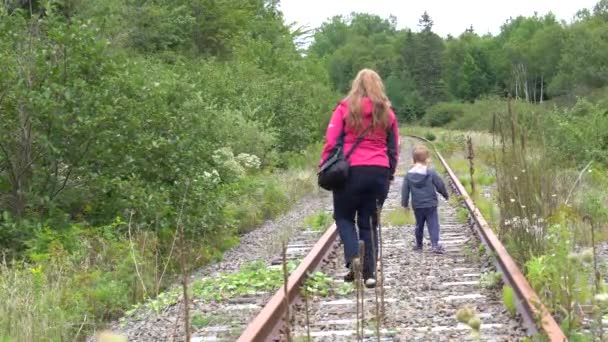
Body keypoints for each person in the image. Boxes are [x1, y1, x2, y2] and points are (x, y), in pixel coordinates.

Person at [319, 69, 399, 288]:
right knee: (369, 222)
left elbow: (331, 141)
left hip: (350, 172)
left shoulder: (344, 108)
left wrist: (325, 165)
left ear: (355, 85)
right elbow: (393, 148)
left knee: (344, 217)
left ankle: (354, 256)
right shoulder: (387, 113)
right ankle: (370, 274)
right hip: (378, 172)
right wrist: (389, 173)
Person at [401, 144, 449, 254]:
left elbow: (405, 191)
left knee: (419, 224)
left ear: (413, 159)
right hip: (431, 204)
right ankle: (435, 245)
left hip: (417, 205)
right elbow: (439, 184)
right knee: (433, 224)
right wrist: (445, 194)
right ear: (427, 159)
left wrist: (404, 204)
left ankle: (418, 245)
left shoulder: (408, 175)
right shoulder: (430, 172)